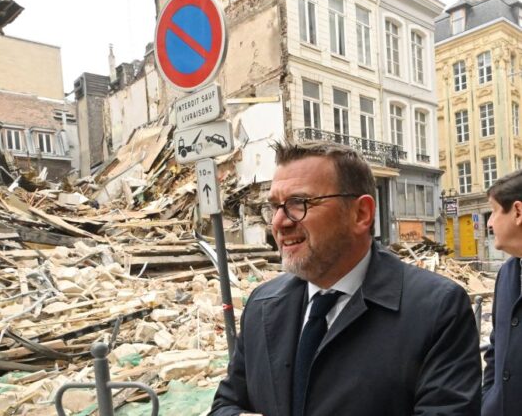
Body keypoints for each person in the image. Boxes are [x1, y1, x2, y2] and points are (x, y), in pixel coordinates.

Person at [209, 140, 481, 416]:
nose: (280, 222)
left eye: (299, 203)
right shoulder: (262, 305)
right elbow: (225, 404)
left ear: (361, 214)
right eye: (275, 206)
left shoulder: (437, 310)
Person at [482, 170, 522, 415]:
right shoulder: (507, 274)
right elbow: (496, 348)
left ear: (518, 212)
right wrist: (489, 400)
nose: (489, 222)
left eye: (494, 210)